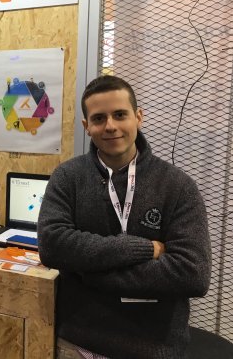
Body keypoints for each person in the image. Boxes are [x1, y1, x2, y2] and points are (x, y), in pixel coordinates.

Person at [38, 75, 211, 359]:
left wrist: (91, 274)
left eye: (120, 115)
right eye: (99, 118)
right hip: (77, 343)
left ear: (138, 117)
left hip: (153, 348)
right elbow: (53, 245)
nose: (110, 126)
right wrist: (142, 248)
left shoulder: (177, 186)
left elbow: (192, 274)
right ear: (87, 126)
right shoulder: (67, 177)